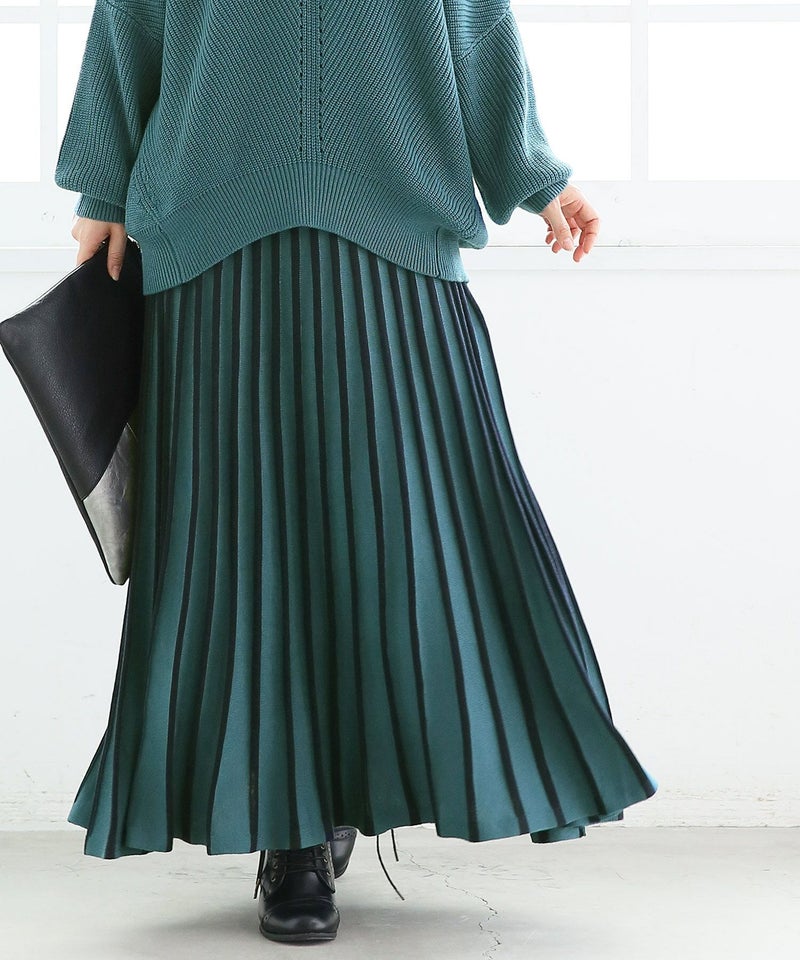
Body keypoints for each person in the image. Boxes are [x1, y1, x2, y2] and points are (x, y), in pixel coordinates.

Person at [54, 0, 658, 945]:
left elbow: (474, 25)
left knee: (416, 548)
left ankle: (339, 795)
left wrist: (538, 177)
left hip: (396, 232)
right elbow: (130, 20)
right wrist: (101, 193)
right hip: (210, 235)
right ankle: (290, 832)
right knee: (245, 552)